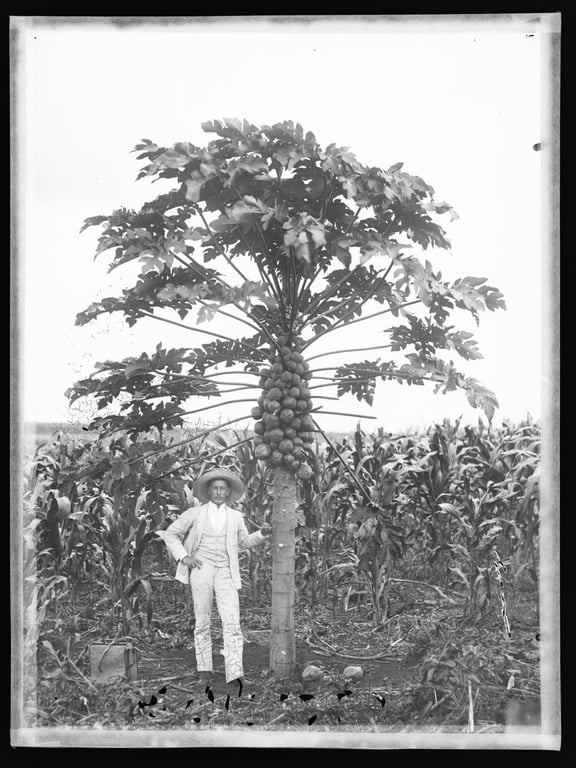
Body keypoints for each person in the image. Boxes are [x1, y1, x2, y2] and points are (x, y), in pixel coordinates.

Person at [159, 468, 271, 689]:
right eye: (215, 488)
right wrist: (184, 557)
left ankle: (235, 673)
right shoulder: (195, 513)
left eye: (222, 488)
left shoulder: (236, 516)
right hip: (202, 569)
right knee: (202, 621)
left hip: (226, 572)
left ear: (228, 492)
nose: (219, 492)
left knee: (232, 622)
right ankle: (204, 672)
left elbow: (244, 542)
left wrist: (262, 534)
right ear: (209, 492)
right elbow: (171, 534)